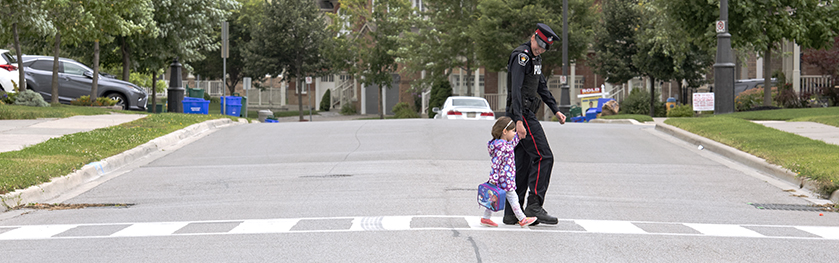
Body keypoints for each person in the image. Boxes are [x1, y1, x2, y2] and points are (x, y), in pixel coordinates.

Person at [503, 23, 566, 225]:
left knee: (522, 164)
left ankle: (512, 212)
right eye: (539, 44)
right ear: (533, 37)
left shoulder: (535, 59)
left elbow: (541, 86)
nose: (540, 48)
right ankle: (534, 204)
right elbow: (516, 89)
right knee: (544, 156)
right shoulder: (521, 57)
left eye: (544, 47)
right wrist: (519, 120)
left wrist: (555, 109)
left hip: (525, 113)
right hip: (522, 114)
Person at [480, 116, 538, 228]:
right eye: (513, 131)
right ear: (504, 131)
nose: (514, 133)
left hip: (503, 177)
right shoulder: (501, 147)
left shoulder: (501, 144)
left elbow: (511, 145)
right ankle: (522, 218)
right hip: (504, 178)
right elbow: (496, 163)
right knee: (513, 198)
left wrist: (519, 135)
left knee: (494, 197)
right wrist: (493, 177)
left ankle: (486, 218)